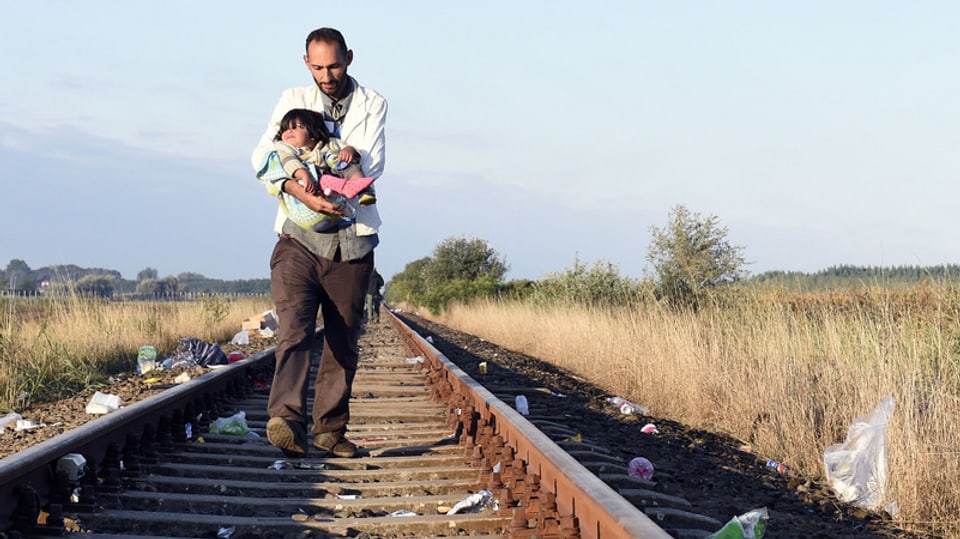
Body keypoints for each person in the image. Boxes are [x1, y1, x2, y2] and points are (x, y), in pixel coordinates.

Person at [251, 27, 387, 458]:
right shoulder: (291, 99)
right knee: (294, 331)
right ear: (306, 63)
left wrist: (336, 170)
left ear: (349, 58)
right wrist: (299, 189)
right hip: (298, 237)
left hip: (351, 241)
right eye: (318, 67)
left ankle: (329, 429)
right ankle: (286, 420)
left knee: (343, 340)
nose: (326, 75)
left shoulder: (373, 104)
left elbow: (371, 161)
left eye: (334, 66)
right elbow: (262, 157)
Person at [257, 108, 377, 233]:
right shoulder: (286, 147)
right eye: (285, 129)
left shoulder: (328, 144)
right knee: (324, 178)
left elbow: (348, 149)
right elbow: (288, 161)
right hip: (313, 188)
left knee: (346, 163)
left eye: (297, 127)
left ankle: (363, 190)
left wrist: (348, 151)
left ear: (313, 134)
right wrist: (302, 172)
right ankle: (345, 192)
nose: (289, 132)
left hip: (334, 183)